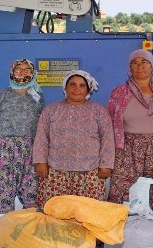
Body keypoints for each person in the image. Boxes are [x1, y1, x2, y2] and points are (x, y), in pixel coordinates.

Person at [32, 70, 115, 207]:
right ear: (65, 87)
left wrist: (106, 165)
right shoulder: (51, 110)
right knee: (55, 212)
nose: (77, 89)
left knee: (88, 212)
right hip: (55, 173)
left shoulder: (99, 112)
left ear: (88, 89)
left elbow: (107, 139)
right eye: (72, 84)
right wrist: (40, 162)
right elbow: (42, 137)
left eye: (82, 85)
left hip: (90, 173)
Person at [107, 49, 153, 211]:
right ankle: (120, 233)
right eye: (134, 63)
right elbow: (108, 122)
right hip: (127, 151)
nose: (140, 66)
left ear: (152, 66)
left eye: (144, 62)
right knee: (123, 192)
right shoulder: (120, 92)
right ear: (129, 68)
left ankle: (151, 233)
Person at [0, 58, 45, 213]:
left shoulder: (37, 97)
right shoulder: (0, 96)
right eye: (18, 70)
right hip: (4, 152)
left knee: (33, 199)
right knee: (1, 198)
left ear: (33, 73)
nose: (22, 73)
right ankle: (0, 235)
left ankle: (29, 235)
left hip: (31, 153)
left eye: (26, 70)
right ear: (12, 72)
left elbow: (41, 129)